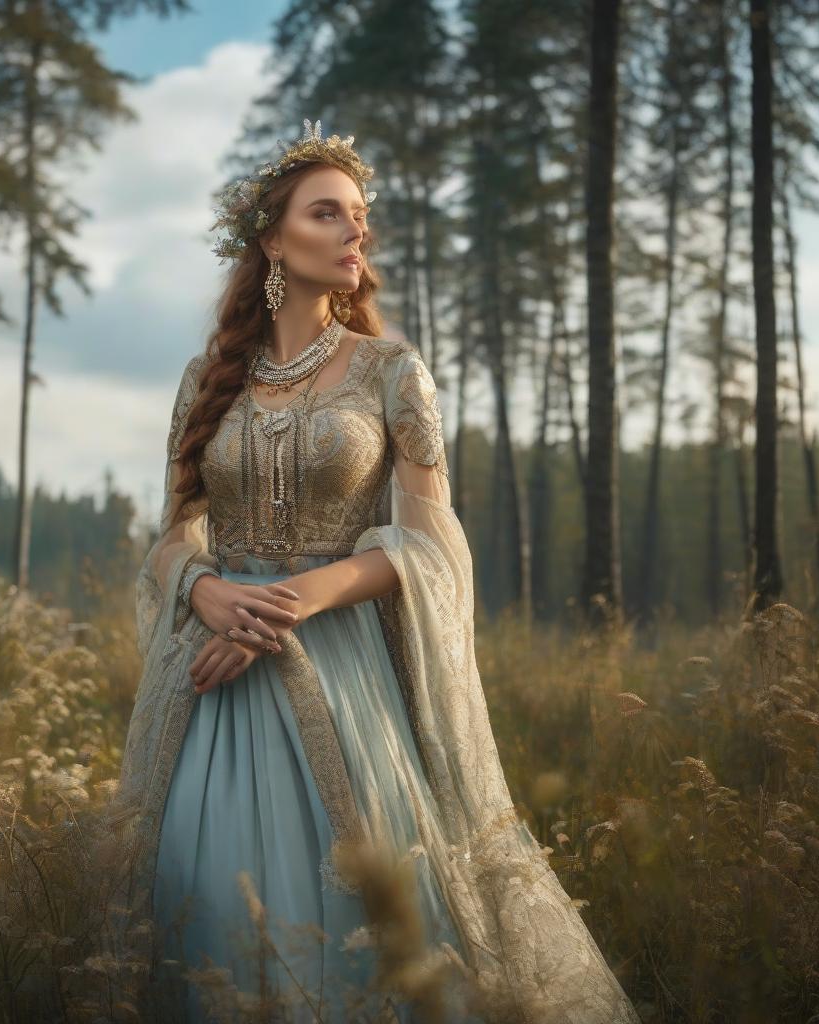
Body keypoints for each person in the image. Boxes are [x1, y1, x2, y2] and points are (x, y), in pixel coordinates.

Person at [107, 119, 639, 1023]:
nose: (357, 231)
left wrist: (291, 602)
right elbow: (170, 540)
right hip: (207, 680)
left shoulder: (392, 371)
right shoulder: (209, 380)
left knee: (363, 910)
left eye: (361, 216)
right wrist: (207, 591)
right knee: (198, 892)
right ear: (274, 241)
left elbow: (430, 546)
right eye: (330, 213)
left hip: (344, 675)